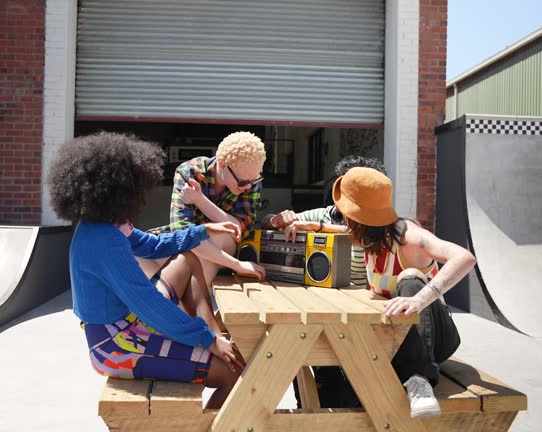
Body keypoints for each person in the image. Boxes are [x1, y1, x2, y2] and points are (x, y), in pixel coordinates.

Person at [48, 132, 245, 408]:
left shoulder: (106, 224)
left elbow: (151, 245)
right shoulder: (104, 242)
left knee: (188, 258)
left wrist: (203, 231)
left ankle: (211, 331)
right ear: (119, 189)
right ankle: (210, 337)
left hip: (127, 323)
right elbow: (149, 305)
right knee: (233, 373)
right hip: (117, 345)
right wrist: (205, 340)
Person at [332, 167, 476, 418]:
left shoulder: (408, 237)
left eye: (344, 215)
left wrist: (420, 298)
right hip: (393, 342)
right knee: (332, 370)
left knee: (410, 278)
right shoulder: (369, 238)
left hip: (433, 341)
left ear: (359, 220)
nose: (341, 220)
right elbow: (337, 232)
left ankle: (420, 380)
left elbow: (464, 257)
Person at [146, 131, 267, 293]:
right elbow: (183, 233)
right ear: (223, 164)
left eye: (255, 180)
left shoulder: (249, 181)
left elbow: (240, 229)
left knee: (215, 235)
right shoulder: (189, 172)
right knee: (141, 251)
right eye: (243, 182)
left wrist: (201, 201)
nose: (248, 187)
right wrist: (237, 265)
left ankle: (187, 308)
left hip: (221, 246)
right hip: (191, 248)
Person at [261, 155, 386, 287]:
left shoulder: (380, 225)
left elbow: (360, 236)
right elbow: (265, 222)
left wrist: (318, 227)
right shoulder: (324, 214)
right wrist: (276, 220)